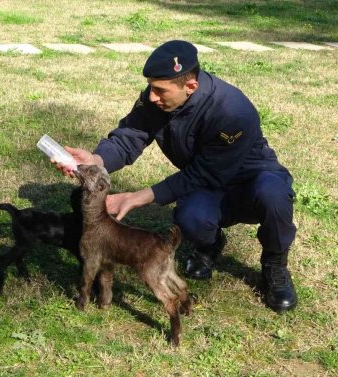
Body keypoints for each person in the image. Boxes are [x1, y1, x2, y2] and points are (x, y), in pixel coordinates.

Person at [57, 40, 297, 312]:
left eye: (160, 90)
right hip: (209, 186)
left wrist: (138, 197)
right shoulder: (157, 101)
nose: (151, 97)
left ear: (190, 87)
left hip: (250, 181)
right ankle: (209, 244)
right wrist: (96, 160)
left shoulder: (232, 110)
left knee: (274, 194)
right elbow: (130, 136)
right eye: (151, 87)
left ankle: (275, 264)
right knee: (189, 216)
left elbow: (206, 171)